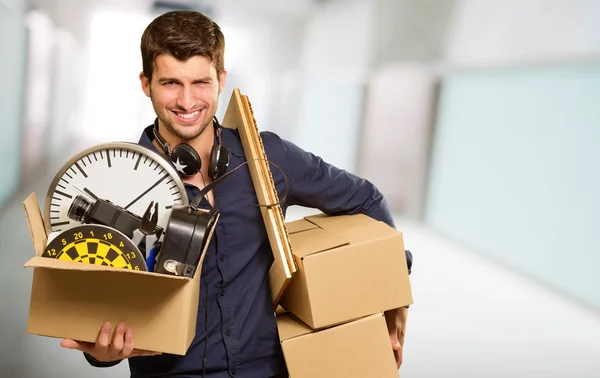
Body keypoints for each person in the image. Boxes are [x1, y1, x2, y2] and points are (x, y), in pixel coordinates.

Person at [59, 10, 413, 378]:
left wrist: (392, 298)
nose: (186, 100)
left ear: (221, 80)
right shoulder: (113, 187)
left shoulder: (268, 158)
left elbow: (367, 199)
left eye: (200, 82)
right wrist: (103, 352)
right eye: (170, 83)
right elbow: (98, 319)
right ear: (146, 83)